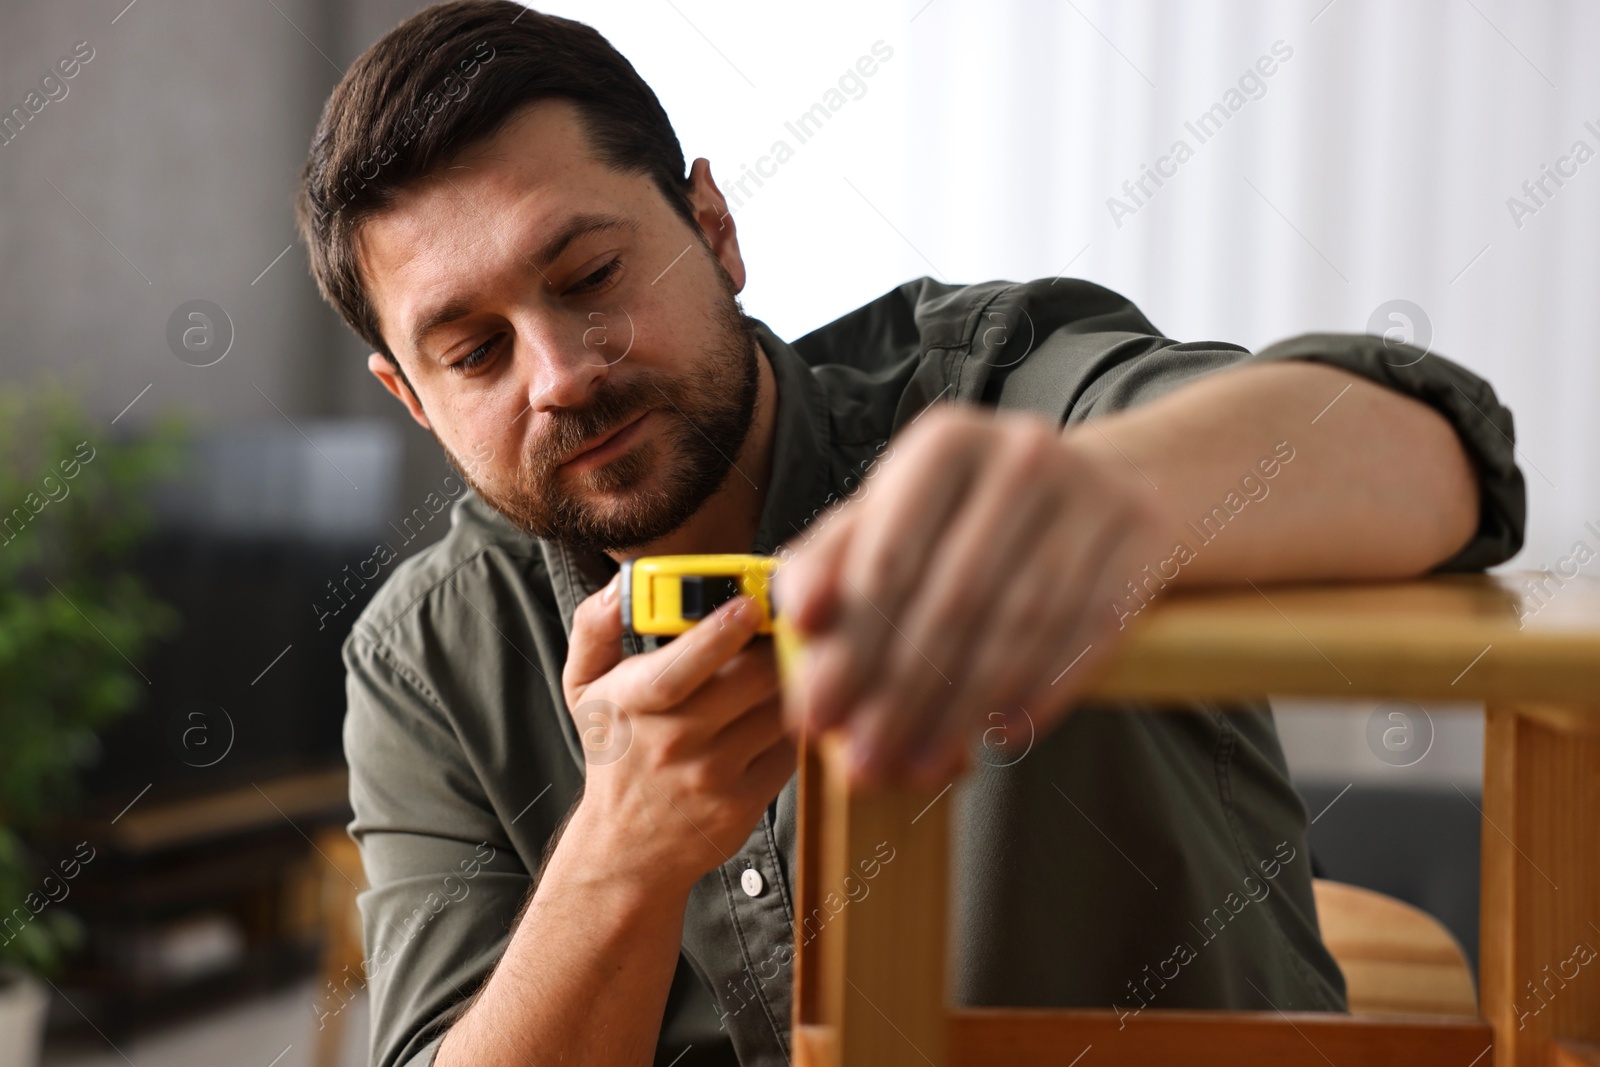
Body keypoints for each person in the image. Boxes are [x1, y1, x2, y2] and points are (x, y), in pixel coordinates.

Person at [294, 3, 1525, 1065]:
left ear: (711, 229)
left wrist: (1101, 502)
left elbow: (1432, 454)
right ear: (411, 396)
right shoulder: (426, 651)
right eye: (473, 352)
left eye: (592, 273)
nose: (559, 374)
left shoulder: (995, 381)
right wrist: (623, 847)